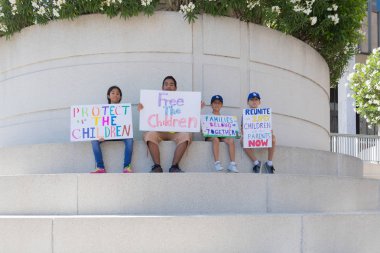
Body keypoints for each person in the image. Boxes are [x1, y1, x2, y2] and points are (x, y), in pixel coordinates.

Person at [138, 76, 192, 173]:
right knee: (149, 135)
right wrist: (142, 109)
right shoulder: (153, 100)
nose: (168, 87)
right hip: (159, 132)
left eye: (171, 85)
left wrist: (196, 107)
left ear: (175, 88)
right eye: (166, 84)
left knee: (186, 135)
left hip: (175, 132)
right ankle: (157, 166)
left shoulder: (182, 100)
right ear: (162, 87)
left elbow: (189, 113)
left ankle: (174, 166)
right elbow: (148, 114)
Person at [91, 86, 134, 173]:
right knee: (94, 140)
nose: (115, 95)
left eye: (118, 93)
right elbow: (100, 124)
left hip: (120, 135)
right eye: (113, 93)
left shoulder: (124, 110)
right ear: (108, 96)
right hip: (107, 135)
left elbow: (126, 125)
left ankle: (127, 167)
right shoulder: (102, 110)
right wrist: (101, 134)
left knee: (129, 139)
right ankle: (100, 167)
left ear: (120, 97)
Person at [242, 92, 276, 174]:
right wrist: (243, 131)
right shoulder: (245, 115)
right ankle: (256, 162)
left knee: (273, 138)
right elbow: (242, 129)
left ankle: (269, 163)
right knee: (242, 140)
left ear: (259, 102)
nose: (254, 101)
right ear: (248, 102)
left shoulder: (264, 113)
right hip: (252, 137)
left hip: (262, 137)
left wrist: (270, 131)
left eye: (256, 100)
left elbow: (269, 127)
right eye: (252, 100)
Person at [204, 95, 238, 173]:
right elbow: (204, 129)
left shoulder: (224, 118)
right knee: (215, 139)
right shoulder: (208, 116)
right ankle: (217, 163)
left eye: (219, 103)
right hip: (211, 136)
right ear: (211, 105)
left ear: (221, 105)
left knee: (231, 140)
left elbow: (227, 130)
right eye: (215, 103)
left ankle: (232, 164)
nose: (217, 105)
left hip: (222, 136)